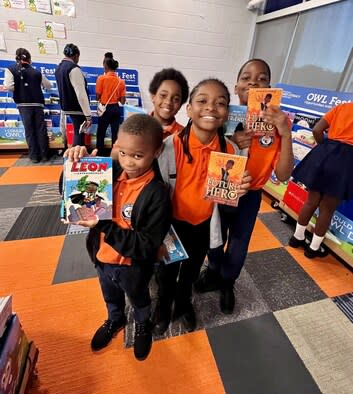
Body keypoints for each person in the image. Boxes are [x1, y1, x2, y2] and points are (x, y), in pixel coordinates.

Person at [63, 114, 172, 361]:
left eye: (137, 155)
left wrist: (104, 226)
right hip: (102, 258)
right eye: (123, 152)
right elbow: (70, 196)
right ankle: (116, 318)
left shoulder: (157, 194)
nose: (128, 162)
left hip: (133, 266)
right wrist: (74, 167)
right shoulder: (108, 174)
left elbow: (146, 246)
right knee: (110, 295)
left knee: (139, 298)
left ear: (156, 152)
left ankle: (143, 324)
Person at [152, 78, 251, 335]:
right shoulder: (167, 147)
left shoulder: (231, 152)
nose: (211, 108)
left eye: (220, 103)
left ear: (226, 113)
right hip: (172, 226)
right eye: (202, 101)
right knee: (167, 270)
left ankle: (184, 303)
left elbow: (228, 206)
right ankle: (163, 306)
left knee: (191, 270)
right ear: (188, 109)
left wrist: (237, 193)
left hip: (204, 225)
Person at [195, 59, 294, 314]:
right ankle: (214, 272)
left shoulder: (279, 125)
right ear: (237, 88)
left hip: (250, 196)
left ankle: (228, 282)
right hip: (220, 190)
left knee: (238, 245)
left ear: (269, 90)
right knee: (214, 239)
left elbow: (283, 175)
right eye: (246, 78)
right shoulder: (221, 119)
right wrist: (231, 141)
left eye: (262, 79)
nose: (253, 82)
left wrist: (285, 131)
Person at [289, 102, 353, 258]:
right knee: (327, 209)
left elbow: (317, 129)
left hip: (325, 153)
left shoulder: (343, 107)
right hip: (347, 161)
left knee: (310, 202)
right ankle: (313, 249)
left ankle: (296, 238)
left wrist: (325, 147)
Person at [4, 48, 52, 163]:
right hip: (38, 103)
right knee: (41, 130)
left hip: (23, 104)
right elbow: (48, 85)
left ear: (16, 58)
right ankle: (45, 155)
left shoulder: (10, 69)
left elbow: (9, 86)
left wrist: (20, 89)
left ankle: (34, 156)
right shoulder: (36, 72)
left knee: (29, 130)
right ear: (30, 59)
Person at [55, 43, 92, 146]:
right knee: (79, 133)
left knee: (77, 131)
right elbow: (81, 93)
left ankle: (77, 156)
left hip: (66, 106)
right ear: (76, 55)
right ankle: (78, 158)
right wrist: (88, 115)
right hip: (76, 107)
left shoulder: (59, 68)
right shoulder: (73, 69)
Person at [95, 52, 126, 155]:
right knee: (115, 133)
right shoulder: (121, 82)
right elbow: (122, 101)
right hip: (116, 109)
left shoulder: (101, 79)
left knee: (101, 133)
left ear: (106, 66)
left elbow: (97, 97)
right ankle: (115, 155)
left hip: (105, 108)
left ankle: (99, 154)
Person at [149, 68, 189, 138]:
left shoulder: (184, 136)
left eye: (176, 99)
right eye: (163, 95)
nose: (168, 102)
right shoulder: (137, 127)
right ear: (153, 97)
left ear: (180, 105)